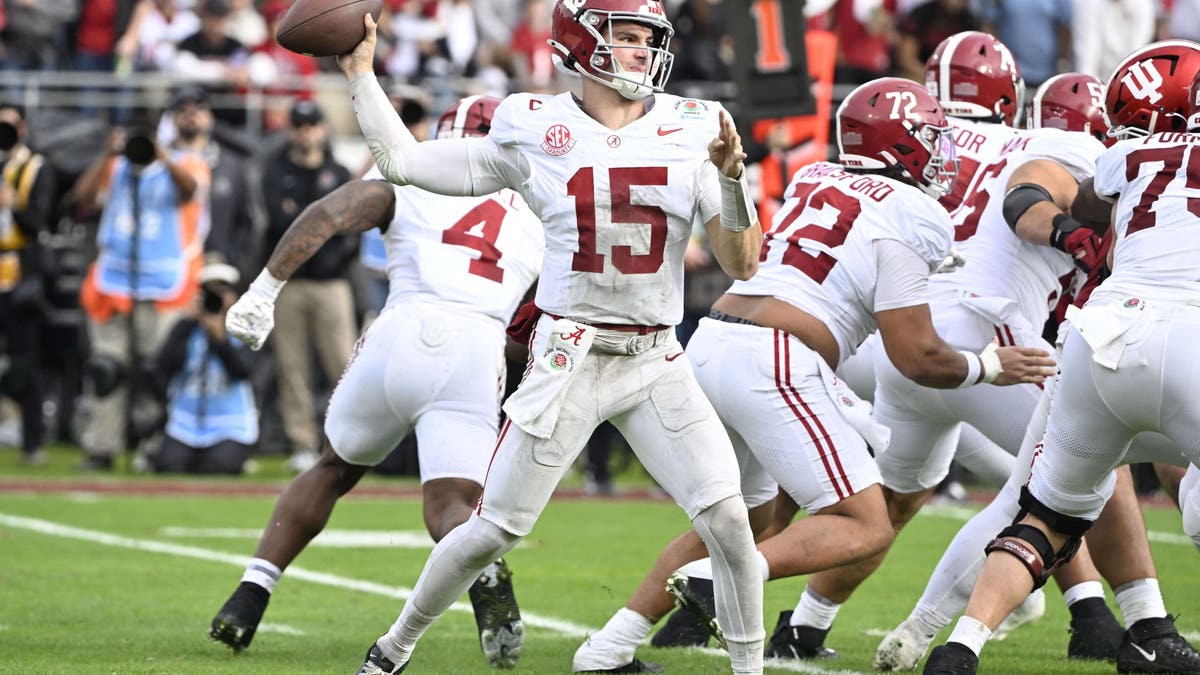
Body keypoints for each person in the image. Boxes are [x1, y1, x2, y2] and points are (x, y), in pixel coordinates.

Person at [573, 75, 1059, 672]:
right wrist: (988, 365)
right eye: (931, 137)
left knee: (741, 522)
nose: (941, 151)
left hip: (714, 342)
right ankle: (715, 580)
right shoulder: (914, 211)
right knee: (865, 525)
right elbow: (917, 356)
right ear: (901, 143)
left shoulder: (816, 176)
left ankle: (608, 649)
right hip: (773, 356)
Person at [338, 1, 769, 672]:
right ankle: (393, 646)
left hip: (656, 358)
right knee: (493, 531)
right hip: (571, 358)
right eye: (628, 37)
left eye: (649, 38)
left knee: (730, 521)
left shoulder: (696, 126)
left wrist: (732, 180)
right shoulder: (534, 125)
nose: (643, 51)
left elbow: (742, 263)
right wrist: (362, 74)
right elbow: (403, 161)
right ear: (582, 43)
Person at [760, 32, 1124, 660]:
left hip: (897, 343)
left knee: (892, 503)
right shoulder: (1044, 145)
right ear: (1009, 98)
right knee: (1082, 463)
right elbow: (1065, 201)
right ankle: (1119, 619)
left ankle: (804, 627)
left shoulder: (917, 139)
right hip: (986, 338)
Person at [210, 95, 545, 669]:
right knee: (453, 507)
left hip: (402, 331)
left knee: (332, 469)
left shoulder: (415, 173)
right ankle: (483, 569)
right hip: (477, 345)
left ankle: (251, 594)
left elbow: (331, 213)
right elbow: (541, 316)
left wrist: (264, 288)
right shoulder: (540, 207)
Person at [923, 40, 1200, 675]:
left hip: (1100, 337)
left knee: (1046, 515)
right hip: (1190, 334)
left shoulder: (1124, 155)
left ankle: (960, 651)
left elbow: (1067, 199)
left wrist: (1076, 226)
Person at [74, 112, 210, 471]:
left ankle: (152, 447)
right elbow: (83, 198)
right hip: (114, 281)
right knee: (106, 369)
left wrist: (162, 156)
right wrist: (107, 154)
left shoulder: (184, 163)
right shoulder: (116, 166)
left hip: (164, 285)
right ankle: (101, 447)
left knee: (155, 371)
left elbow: (190, 191)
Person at [259, 100, 354, 474]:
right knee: (292, 366)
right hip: (291, 281)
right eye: (299, 125)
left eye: (312, 124)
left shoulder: (338, 172)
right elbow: (278, 224)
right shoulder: (275, 171)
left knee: (343, 366)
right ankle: (301, 442)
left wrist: (332, 256)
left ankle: (349, 441)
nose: (305, 132)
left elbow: (350, 229)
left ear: (322, 129)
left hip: (332, 282)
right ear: (290, 130)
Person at [152, 261, 256, 474]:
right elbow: (163, 366)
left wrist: (220, 339)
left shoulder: (245, 329)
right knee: (169, 465)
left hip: (228, 423)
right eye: (209, 292)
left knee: (220, 466)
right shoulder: (187, 327)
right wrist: (187, 322)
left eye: (223, 292)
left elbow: (243, 372)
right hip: (185, 421)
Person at [0, 102, 57, 466]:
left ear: (23, 129)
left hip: (19, 273)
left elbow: (39, 221)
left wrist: (11, 205)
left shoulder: (36, 166)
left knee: (25, 362)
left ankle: (32, 440)